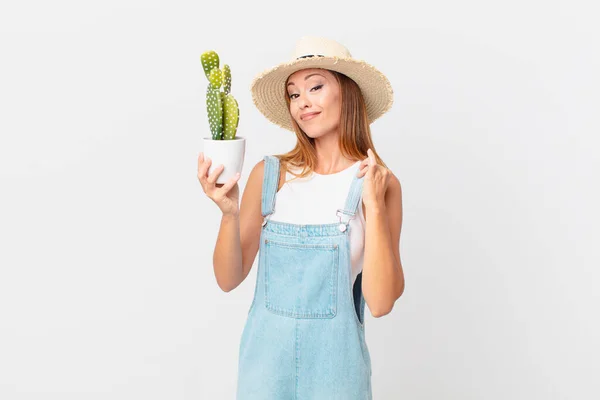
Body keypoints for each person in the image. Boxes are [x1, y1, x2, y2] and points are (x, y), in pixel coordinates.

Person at [197, 36, 405, 400]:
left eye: (316, 87)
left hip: (338, 381)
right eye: (294, 94)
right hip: (263, 378)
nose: (302, 103)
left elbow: (381, 302)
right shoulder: (270, 175)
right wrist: (229, 214)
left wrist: (372, 203)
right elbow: (228, 279)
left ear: (348, 93)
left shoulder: (379, 184)